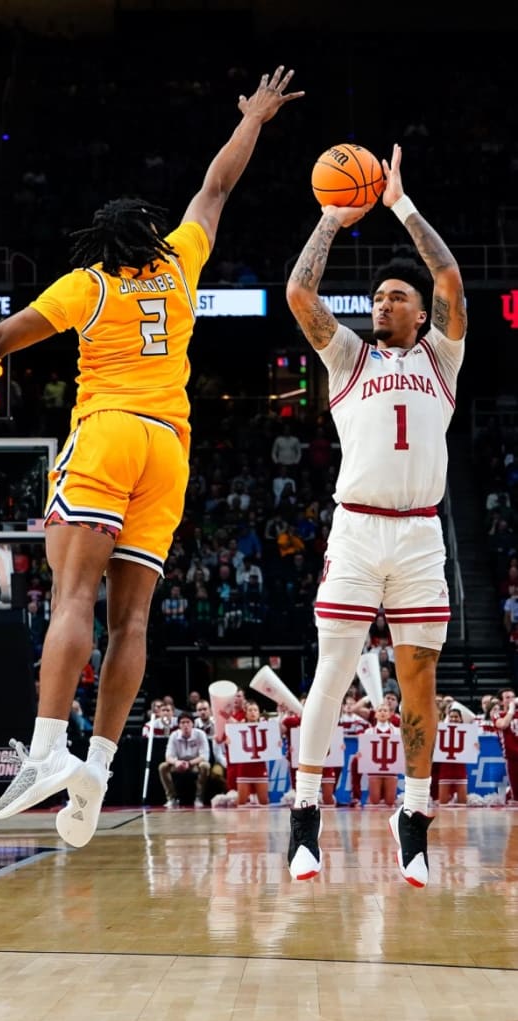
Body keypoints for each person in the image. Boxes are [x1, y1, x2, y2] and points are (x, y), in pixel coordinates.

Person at [0, 66, 304, 848]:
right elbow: (215, 188)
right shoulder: (181, 263)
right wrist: (253, 119)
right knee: (132, 621)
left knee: (70, 599)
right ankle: (99, 762)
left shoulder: (87, 286)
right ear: (151, 237)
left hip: (111, 429)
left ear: (102, 243)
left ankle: (49, 748)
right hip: (172, 448)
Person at [284, 142, 466, 888]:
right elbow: (301, 294)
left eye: (397, 296)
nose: (381, 302)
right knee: (333, 667)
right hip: (357, 528)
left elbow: (451, 273)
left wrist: (399, 204)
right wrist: (330, 221)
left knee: (418, 678)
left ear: (422, 313)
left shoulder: (441, 358)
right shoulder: (349, 358)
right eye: (378, 297)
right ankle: (304, 810)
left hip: (422, 532)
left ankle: (414, 817)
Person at [159, 712, 211, 808]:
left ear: (193, 724)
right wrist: (177, 762)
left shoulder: (200, 734)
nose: (185, 725)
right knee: (163, 766)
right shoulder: (174, 735)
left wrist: (190, 763)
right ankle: (172, 798)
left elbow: (204, 756)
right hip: (179, 764)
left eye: (188, 722)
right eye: (182, 723)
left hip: (195, 763)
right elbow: (168, 756)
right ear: (179, 725)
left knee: (205, 765)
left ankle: (199, 798)